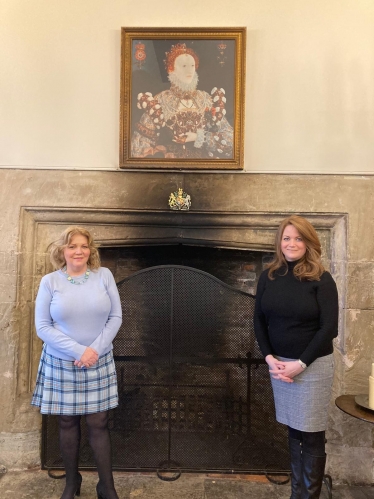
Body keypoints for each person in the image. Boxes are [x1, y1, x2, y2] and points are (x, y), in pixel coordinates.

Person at [31, 226, 122, 499]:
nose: (78, 251)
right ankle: (72, 482)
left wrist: (93, 350)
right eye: (72, 246)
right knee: (67, 422)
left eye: (83, 246)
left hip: (98, 360)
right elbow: (42, 326)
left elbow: (116, 317)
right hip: (62, 362)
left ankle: (106, 486)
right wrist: (78, 351)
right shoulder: (50, 282)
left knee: (99, 423)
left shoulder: (104, 276)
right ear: (62, 251)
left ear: (90, 250)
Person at [254, 215, 339, 499]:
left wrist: (300, 364)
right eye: (287, 238)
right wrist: (269, 358)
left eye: (299, 238)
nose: (292, 243)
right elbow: (258, 319)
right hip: (279, 367)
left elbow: (330, 328)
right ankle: (296, 494)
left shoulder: (321, 279)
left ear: (309, 242)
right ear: (279, 242)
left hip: (312, 367)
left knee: (311, 432)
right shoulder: (268, 276)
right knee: (294, 429)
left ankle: (309, 496)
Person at [131, 42, 233, 159]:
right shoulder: (160, 100)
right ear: (171, 69)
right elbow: (140, 144)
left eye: (192, 66)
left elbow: (230, 139)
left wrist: (198, 137)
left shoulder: (206, 99)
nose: (189, 71)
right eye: (184, 66)